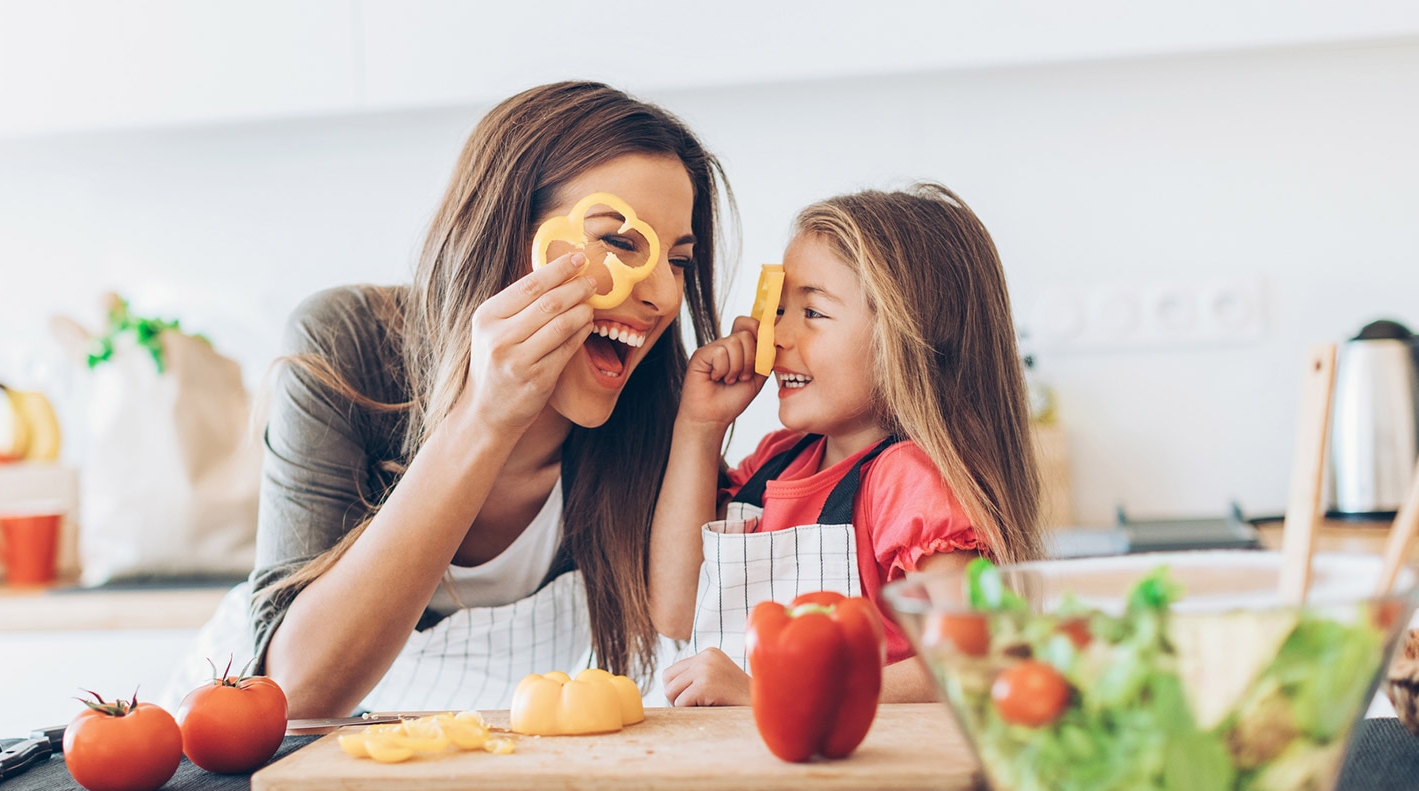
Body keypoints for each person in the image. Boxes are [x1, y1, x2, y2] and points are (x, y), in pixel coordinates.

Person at [249, 81, 730, 717]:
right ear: (507, 234)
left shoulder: (658, 412)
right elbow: (296, 696)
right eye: (619, 243)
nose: (664, 297)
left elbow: (684, 629)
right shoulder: (347, 343)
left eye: (679, 261)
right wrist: (485, 417)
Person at [647, 183, 1043, 706]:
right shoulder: (776, 463)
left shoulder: (908, 481)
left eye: (812, 312)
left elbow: (973, 659)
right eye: (779, 311)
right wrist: (699, 427)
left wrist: (775, 693)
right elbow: (677, 611)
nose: (776, 337)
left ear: (905, 339)